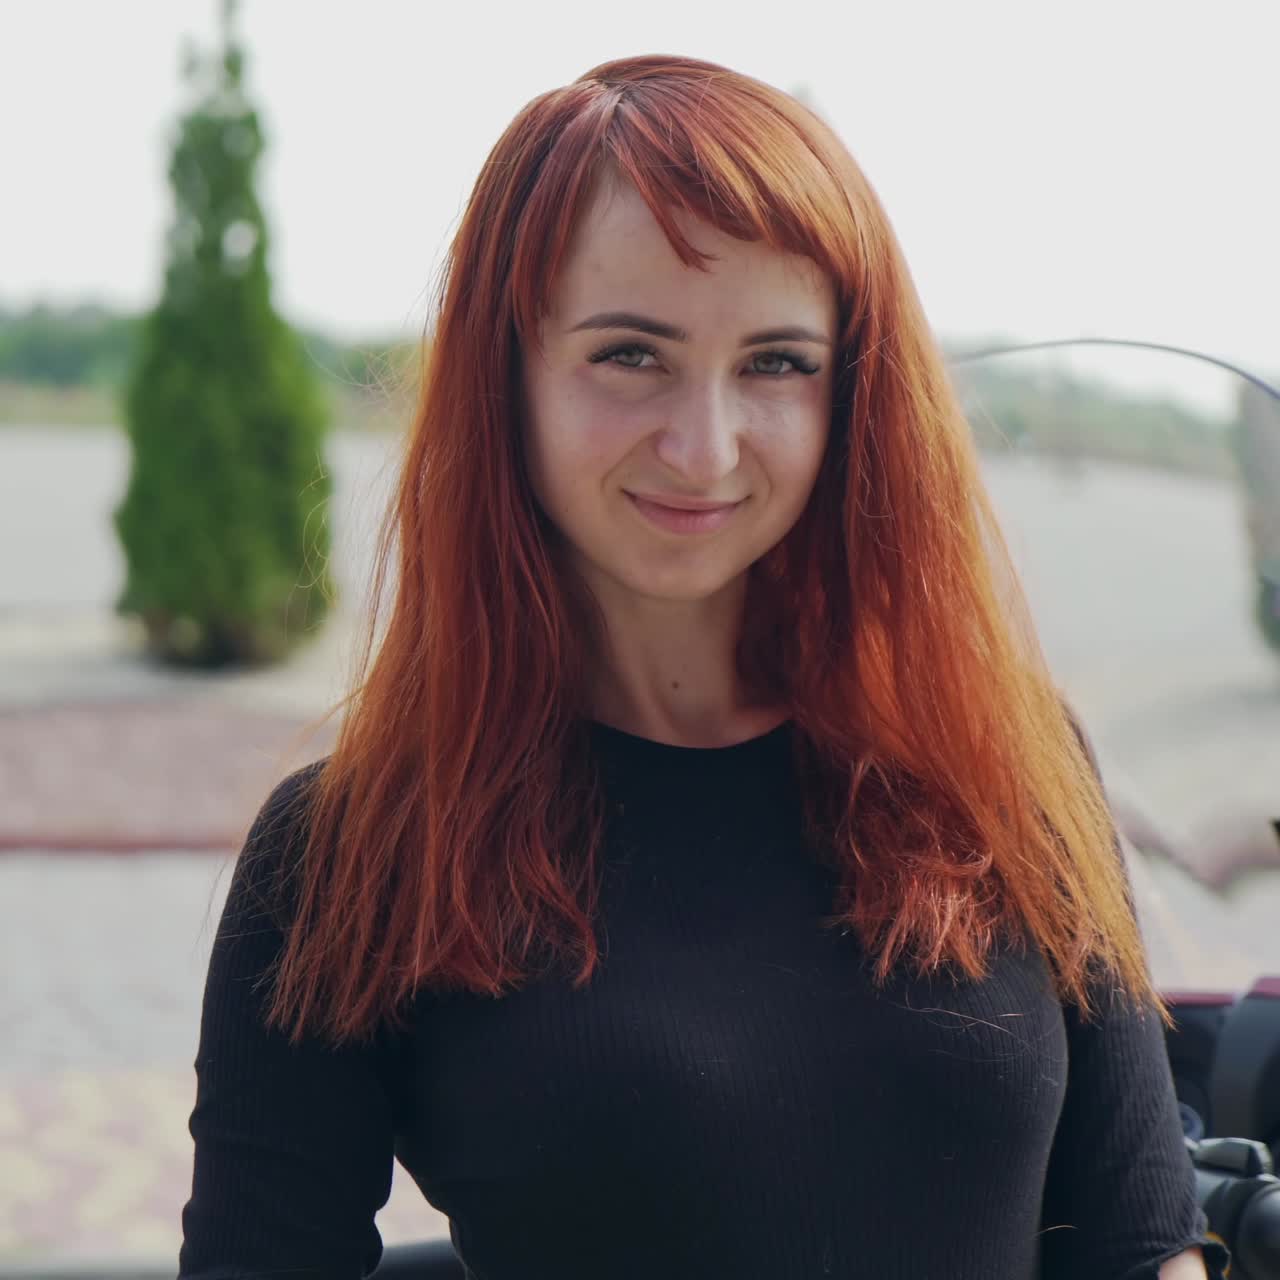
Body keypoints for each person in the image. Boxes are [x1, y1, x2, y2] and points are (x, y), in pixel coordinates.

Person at [177, 54, 1229, 1280]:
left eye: (776, 362)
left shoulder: (1004, 757)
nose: (705, 444)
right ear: (503, 372)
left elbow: (1139, 1240)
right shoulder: (348, 851)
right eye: (630, 354)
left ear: (855, 394)